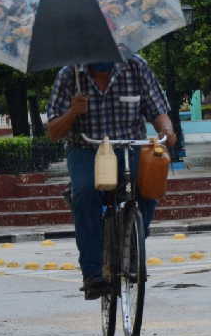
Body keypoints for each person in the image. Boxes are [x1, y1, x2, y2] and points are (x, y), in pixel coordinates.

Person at [46, 54, 177, 300]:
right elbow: (53, 131)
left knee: (149, 187)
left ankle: (134, 244)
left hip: (129, 146)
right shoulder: (69, 74)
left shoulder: (136, 66)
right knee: (84, 194)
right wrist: (73, 112)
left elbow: (158, 110)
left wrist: (166, 130)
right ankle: (92, 274)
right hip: (87, 149)